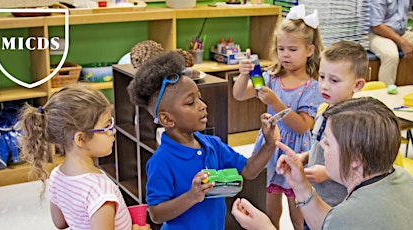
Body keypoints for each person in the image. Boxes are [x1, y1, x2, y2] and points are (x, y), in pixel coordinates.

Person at [126, 51, 280, 230]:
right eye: (191, 103)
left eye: (199, 97)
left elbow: (248, 170)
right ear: (167, 119)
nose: (203, 105)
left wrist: (269, 144)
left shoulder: (212, 145)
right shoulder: (161, 162)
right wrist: (192, 196)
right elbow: (156, 213)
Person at [232, 97, 413, 230]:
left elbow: (340, 222)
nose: (320, 149)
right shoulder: (403, 178)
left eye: (326, 142)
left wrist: (265, 228)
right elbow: (331, 223)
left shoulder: (348, 216)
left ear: (355, 159)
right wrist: (300, 185)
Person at [232, 4, 323, 229]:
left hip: (295, 154)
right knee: (270, 209)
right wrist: (243, 76)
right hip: (270, 149)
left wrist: (274, 101)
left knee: (298, 211)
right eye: (281, 48)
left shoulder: (312, 86)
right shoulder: (270, 77)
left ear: (310, 50)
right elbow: (240, 94)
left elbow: (303, 126)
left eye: (293, 49)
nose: (285, 55)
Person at [17, 84, 150, 230]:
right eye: (106, 126)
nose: (112, 132)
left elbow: (60, 223)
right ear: (80, 139)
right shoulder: (99, 190)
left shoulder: (57, 175)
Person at [298, 40, 367, 229]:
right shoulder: (323, 112)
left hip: (337, 207)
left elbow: (360, 173)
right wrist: (304, 158)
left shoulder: (353, 124)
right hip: (315, 199)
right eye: (321, 77)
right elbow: (318, 147)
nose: (324, 86)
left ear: (357, 84)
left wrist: (327, 174)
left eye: (334, 80)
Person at [369, 0, 413, 86]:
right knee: (390, 55)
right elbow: (376, 26)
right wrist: (402, 42)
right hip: (377, 34)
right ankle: (384, 95)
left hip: (400, 32)